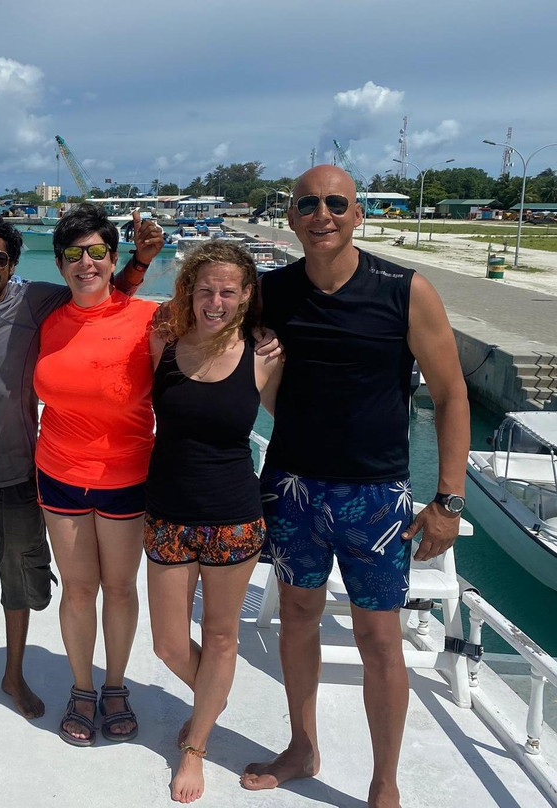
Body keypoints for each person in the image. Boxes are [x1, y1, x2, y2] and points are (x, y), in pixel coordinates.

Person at [240, 165, 470, 808]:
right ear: (290, 217)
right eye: (308, 204)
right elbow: (217, 339)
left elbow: (452, 395)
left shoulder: (405, 291)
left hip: (376, 495)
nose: (322, 214)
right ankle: (303, 745)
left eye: (335, 203)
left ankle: (384, 781)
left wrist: (449, 499)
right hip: (293, 486)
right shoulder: (273, 292)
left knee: (379, 638)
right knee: (296, 621)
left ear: (357, 213)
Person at [0, 212, 162, 718]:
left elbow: (97, 285)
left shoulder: (36, 299)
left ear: (13, 264)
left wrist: (138, 262)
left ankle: (14, 672)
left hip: (24, 472)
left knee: (18, 582)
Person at [144, 241, 283, 802]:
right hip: (168, 512)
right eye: (206, 290)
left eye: (229, 291)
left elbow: (297, 419)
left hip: (233, 517)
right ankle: (213, 702)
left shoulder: (265, 356)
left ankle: (196, 746)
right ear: (190, 291)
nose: (216, 301)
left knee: (222, 636)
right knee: (169, 643)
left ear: (247, 295)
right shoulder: (164, 342)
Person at [33, 203, 162, 746]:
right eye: (72, 254)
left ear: (114, 258)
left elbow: (217, 322)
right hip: (59, 470)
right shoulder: (47, 319)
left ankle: (116, 686)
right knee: (79, 588)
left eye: (96, 253)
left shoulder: (148, 317)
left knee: (119, 587)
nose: (85, 263)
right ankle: (82, 687)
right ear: (60, 264)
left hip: (128, 474)